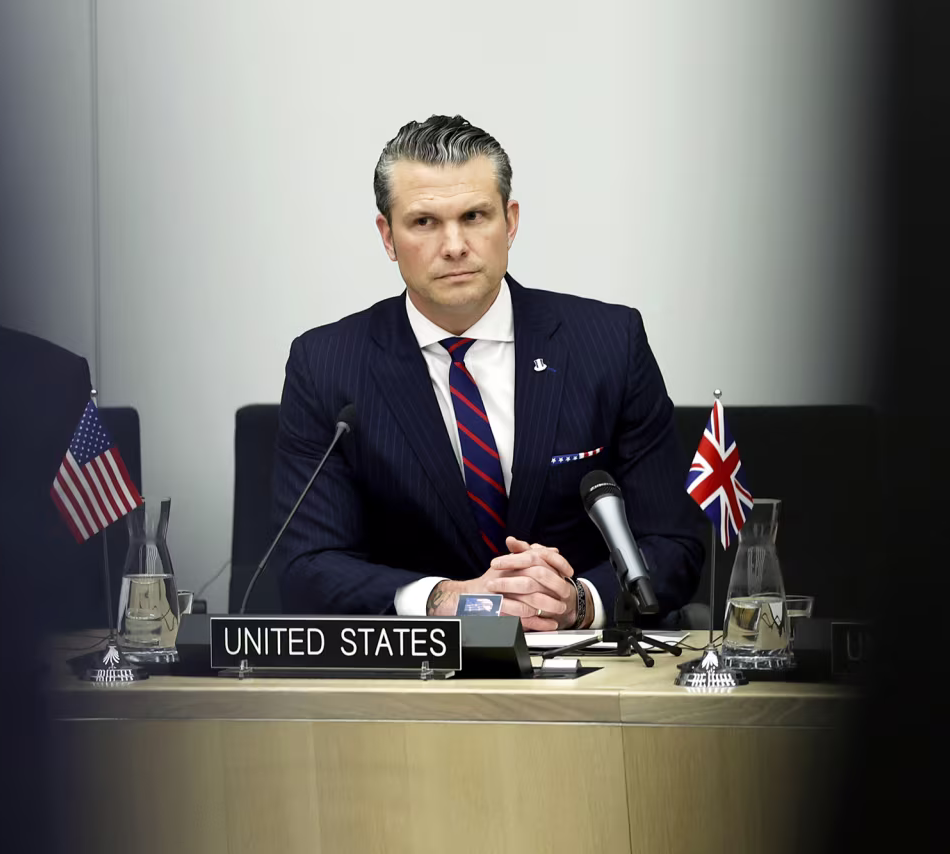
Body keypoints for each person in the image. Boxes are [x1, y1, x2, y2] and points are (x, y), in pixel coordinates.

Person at [271, 115, 702, 630]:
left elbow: (673, 543)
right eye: (424, 222)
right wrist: (443, 599)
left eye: (475, 216)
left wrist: (579, 602)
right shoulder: (326, 364)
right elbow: (306, 564)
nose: (454, 245)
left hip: (582, 670)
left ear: (510, 221)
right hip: (414, 676)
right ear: (388, 236)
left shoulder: (609, 343)